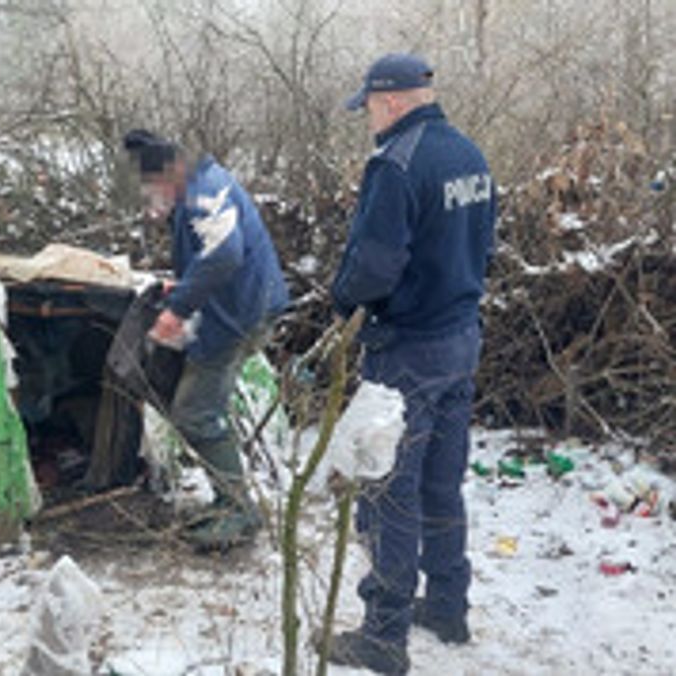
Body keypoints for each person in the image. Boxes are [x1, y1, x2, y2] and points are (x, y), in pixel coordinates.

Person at [327, 54, 496, 674]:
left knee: (389, 491)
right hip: (461, 336)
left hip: (408, 349)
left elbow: (373, 265)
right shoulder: (469, 155)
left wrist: (341, 300)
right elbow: (484, 245)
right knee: (441, 480)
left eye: (369, 105)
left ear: (391, 100)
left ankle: (384, 633)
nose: (367, 117)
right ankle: (449, 604)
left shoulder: (396, 163)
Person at [122, 129, 289, 550]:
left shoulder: (205, 193)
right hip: (238, 307)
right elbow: (205, 253)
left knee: (194, 412)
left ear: (170, 173)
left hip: (239, 314)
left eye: (152, 185)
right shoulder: (198, 186)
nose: (151, 194)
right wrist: (179, 289)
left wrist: (177, 311)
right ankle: (230, 498)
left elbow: (224, 254)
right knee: (204, 405)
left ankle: (239, 512)